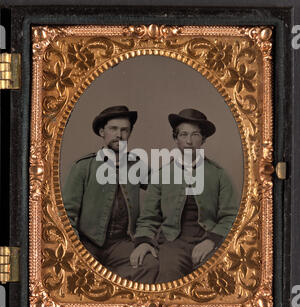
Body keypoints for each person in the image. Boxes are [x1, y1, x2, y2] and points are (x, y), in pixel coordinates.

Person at [131, 108, 238, 283]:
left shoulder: (219, 174)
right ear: (176, 139)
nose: (189, 141)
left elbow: (231, 215)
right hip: (173, 243)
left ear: (203, 139)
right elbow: (148, 219)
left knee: (216, 280)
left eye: (195, 134)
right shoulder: (161, 175)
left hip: (209, 241)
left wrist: (211, 241)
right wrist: (144, 242)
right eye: (183, 134)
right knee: (168, 279)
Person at [62, 105, 158, 283]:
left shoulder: (136, 165)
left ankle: (117, 299)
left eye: (124, 130)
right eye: (113, 129)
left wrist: (145, 239)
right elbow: (68, 213)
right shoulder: (83, 166)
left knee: (149, 264)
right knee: (77, 275)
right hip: (87, 243)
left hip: (121, 243)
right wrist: (75, 249)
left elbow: (162, 189)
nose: (119, 135)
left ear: (129, 134)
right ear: (101, 132)